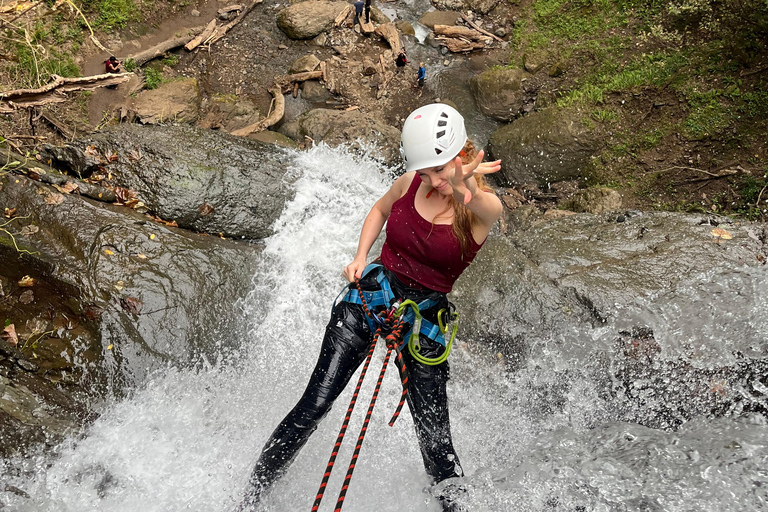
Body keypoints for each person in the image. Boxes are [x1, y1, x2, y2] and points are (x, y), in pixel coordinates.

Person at [236, 103, 502, 512]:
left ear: (461, 155)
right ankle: (248, 501)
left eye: (439, 170)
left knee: (437, 446)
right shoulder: (410, 182)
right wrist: (360, 257)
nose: (432, 181)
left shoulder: (482, 209)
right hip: (372, 294)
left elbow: (480, 203)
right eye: (425, 172)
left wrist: (460, 182)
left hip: (424, 320)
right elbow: (379, 209)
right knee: (314, 405)